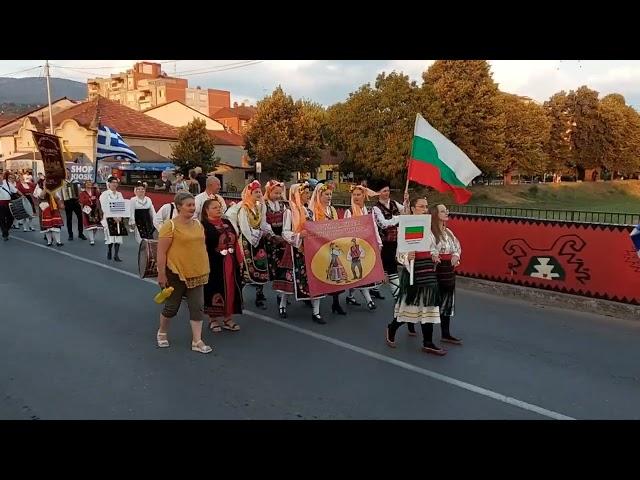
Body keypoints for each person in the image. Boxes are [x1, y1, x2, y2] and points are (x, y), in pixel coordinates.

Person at [386, 197, 445, 356]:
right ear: (412, 208)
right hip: (413, 270)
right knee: (410, 308)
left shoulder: (430, 227)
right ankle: (392, 328)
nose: (425, 209)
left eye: (426, 206)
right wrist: (408, 257)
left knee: (429, 306)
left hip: (428, 271)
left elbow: (434, 247)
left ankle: (428, 342)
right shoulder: (406, 226)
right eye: (421, 206)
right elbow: (399, 254)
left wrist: (434, 255)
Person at [156, 192, 212, 354]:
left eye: (193, 205)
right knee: (172, 307)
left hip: (197, 273)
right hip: (175, 273)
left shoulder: (198, 225)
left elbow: (200, 248)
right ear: (179, 207)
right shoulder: (170, 226)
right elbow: (162, 253)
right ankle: (162, 332)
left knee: (197, 307)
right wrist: (161, 274)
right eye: (189, 205)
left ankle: (197, 340)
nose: (192, 208)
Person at [281, 181, 326, 323]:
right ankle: (282, 304)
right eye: (305, 193)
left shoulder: (309, 211)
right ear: (297, 195)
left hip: (310, 249)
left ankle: (316, 312)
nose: (308, 195)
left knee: (315, 277)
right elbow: (285, 232)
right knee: (290, 280)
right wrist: (299, 236)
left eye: (308, 193)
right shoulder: (289, 212)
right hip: (295, 248)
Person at [202, 198, 243, 333]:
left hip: (231, 262)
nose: (218, 209)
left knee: (231, 288)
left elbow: (236, 241)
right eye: (214, 207)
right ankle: (213, 319)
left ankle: (228, 318)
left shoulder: (227, 222)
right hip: (214, 263)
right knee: (214, 288)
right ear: (206, 210)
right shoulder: (203, 225)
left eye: (219, 207)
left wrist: (240, 259)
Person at [308, 181, 347, 316]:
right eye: (326, 194)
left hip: (331, 246)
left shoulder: (332, 210)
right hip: (319, 247)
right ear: (319, 195)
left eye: (330, 194)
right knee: (320, 276)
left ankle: (336, 303)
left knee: (336, 276)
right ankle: (316, 311)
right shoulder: (313, 211)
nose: (329, 197)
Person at [343, 184, 383, 310]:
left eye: (358, 194)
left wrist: (378, 242)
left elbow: (374, 227)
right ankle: (369, 300)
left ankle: (350, 296)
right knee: (359, 273)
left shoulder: (368, 211)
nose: (356, 197)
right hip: (354, 246)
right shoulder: (349, 211)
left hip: (367, 245)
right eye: (354, 195)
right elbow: (346, 230)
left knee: (360, 273)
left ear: (364, 196)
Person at [430, 204, 463, 346]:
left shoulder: (448, 232)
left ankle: (445, 333)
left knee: (447, 301)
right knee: (431, 302)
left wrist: (456, 256)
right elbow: (430, 248)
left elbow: (457, 247)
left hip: (448, 270)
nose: (446, 212)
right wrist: (434, 256)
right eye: (443, 211)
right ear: (435, 214)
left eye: (446, 210)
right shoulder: (431, 233)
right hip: (436, 269)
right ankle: (425, 336)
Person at [236, 180, 273, 308]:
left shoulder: (260, 206)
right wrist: (257, 234)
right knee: (246, 269)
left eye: (259, 191)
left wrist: (268, 232)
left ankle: (259, 295)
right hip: (248, 241)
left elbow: (263, 222)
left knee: (261, 267)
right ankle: (239, 295)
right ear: (249, 193)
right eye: (256, 192)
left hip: (258, 241)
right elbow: (244, 228)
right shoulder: (243, 208)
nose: (259, 194)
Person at [372, 183, 409, 300]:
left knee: (386, 266)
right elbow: (383, 224)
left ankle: (374, 289)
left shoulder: (394, 203)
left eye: (388, 190)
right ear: (378, 193)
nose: (387, 193)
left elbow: (406, 212)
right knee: (391, 266)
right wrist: (398, 218)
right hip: (384, 242)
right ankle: (397, 295)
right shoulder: (376, 208)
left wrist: (406, 202)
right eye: (384, 191)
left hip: (396, 240)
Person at [263, 180, 289, 311]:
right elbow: (264, 222)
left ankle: (281, 294)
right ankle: (260, 292)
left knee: (281, 266)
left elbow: (286, 220)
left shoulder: (283, 205)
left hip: (282, 237)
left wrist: (284, 234)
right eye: (276, 193)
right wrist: (272, 235)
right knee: (270, 266)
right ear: (269, 192)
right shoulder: (264, 205)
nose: (278, 195)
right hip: (270, 238)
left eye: (280, 193)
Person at [99, 176, 127, 262]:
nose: (115, 184)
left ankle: (116, 255)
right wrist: (112, 216)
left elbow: (122, 205)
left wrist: (120, 216)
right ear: (109, 184)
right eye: (113, 182)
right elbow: (104, 207)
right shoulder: (105, 194)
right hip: (109, 217)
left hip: (118, 217)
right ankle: (109, 250)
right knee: (111, 236)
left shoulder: (119, 194)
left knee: (118, 236)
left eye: (116, 182)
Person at [37, 179, 65, 247]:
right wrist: (45, 188)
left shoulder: (54, 190)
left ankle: (58, 241)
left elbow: (58, 198)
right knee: (47, 227)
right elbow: (41, 196)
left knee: (56, 226)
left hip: (54, 209)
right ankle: (49, 241)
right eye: (46, 182)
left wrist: (52, 192)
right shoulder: (39, 189)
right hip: (45, 210)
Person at [79, 180, 102, 245]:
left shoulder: (94, 191)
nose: (89, 184)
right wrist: (89, 199)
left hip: (95, 209)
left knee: (95, 226)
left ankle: (93, 237)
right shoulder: (82, 193)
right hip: (87, 210)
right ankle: (92, 240)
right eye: (87, 183)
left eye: (90, 183)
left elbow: (100, 196)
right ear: (85, 184)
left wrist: (98, 189)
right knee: (90, 226)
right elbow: (81, 200)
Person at [0, 172, 20, 241]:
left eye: (1, 176)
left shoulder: (7, 183)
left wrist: (23, 196)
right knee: (2, 220)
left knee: (11, 218)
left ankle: (6, 230)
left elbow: (16, 190)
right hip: (0, 204)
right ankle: (5, 233)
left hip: (8, 203)